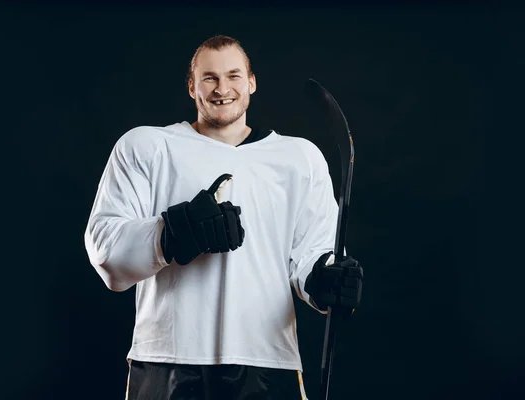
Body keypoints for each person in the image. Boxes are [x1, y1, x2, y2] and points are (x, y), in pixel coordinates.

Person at [84, 35, 363, 400]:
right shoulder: (146, 147)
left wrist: (326, 279)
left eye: (233, 76)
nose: (222, 89)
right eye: (209, 78)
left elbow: (311, 253)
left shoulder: (300, 158)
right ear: (192, 86)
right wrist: (173, 233)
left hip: (266, 363)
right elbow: (106, 251)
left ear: (251, 82)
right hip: (166, 362)